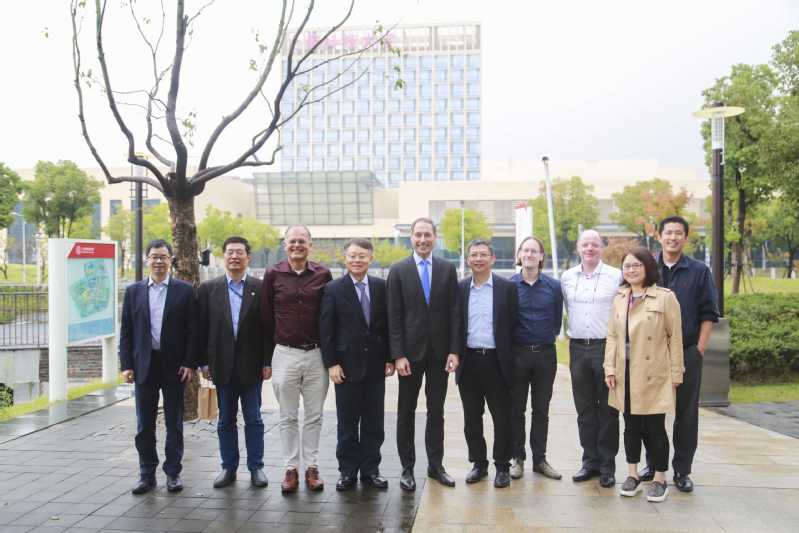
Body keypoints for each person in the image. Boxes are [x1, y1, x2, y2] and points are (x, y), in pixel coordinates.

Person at [638, 216, 720, 492]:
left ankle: (682, 470)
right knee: (651, 412)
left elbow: (709, 314)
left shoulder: (699, 271)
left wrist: (698, 351)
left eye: (678, 233)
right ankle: (653, 464)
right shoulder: (647, 268)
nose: (672, 237)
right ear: (659, 236)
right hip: (651, 355)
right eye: (668, 233)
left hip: (686, 353)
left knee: (686, 414)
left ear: (686, 237)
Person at [604, 246, 684, 503]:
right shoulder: (620, 297)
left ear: (648, 267)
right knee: (630, 427)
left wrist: (676, 374)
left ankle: (660, 478)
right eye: (627, 266)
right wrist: (609, 368)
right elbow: (612, 336)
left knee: (655, 428)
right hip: (625, 372)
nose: (631, 270)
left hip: (653, 373)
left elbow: (675, 338)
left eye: (636, 265)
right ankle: (633, 474)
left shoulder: (665, 298)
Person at [387, 217, 461, 491]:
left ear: (435, 237)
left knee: (436, 412)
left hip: (440, 355)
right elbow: (393, 316)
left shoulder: (447, 268)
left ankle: (435, 466)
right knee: (406, 412)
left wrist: (454, 350)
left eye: (427, 235)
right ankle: (407, 468)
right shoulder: (398, 270)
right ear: (411, 238)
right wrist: (398, 355)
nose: (422, 240)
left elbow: (454, 312)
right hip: (409, 356)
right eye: (418, 235)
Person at [119, 239, 195, 495]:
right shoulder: (134, 292)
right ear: (147, 260)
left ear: (171, 260)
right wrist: (126, 365)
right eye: (154, 256)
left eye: (163, 257)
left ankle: (173, 473)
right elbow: (126, 331)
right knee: (144, 424)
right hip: (144, 364)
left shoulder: (185, 291)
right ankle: (146, 474)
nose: (158, 261)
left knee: (174, 423)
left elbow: (192, 330)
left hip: (174, 366)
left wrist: (189, 363)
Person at [320, 239, 395, 492]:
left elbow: (387, 326)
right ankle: (348, 472)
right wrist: (331, 363)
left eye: (362, 256)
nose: (357, 260)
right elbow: (326, 330)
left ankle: (371, 471)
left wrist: (389, 358)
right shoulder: (333, 289)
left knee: (374, 423)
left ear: (370, 258)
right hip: (346, 368)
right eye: (352, 256)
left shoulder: (381, 287)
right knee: (347, 423)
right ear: (345, 258)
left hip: (376, 367)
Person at [261, 225, 332, 493]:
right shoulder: (273, 274)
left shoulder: (323, 274)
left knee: (314, 416)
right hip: (285, 353)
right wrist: (267, 359)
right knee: (287, 416)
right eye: (292, 241)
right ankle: (290, 468)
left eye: (302, 241)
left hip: (316, 355)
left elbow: (329, 315)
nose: (297, 245)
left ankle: (312, 467)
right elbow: (266, 317)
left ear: (310, 245)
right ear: (285, 245)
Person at [196, 236, 270, 489]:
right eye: (230, 252)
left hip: (252, 366)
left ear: (248, 257)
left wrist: (267, 361)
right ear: (224, 256)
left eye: (240, 252)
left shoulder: (260, 288)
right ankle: (228, 468)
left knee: (254, 418)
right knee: (225, 420)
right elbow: (202, 329)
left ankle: (256, 467)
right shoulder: (209, 289)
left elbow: (267, 329)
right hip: (221, 365)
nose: (235, 256)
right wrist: (203, 363)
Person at [560, 230, 622, 488]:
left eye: (594, 244)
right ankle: (590, 462)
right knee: (584, 409)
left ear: (602, 247)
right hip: (577, 349)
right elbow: (567, 307)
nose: (590, 248)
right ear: (578, 248)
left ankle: (607, 466)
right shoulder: (567, 277)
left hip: (606, 347)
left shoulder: (615, 276)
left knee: (608, 409)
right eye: (585, 244)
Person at [456, 239, 518, 488]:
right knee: (472, 418)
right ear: (468, 260)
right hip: (468, 361)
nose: (478, 259)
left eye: (483, 254)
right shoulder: (460, 288)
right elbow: (455, 324)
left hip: (497, 361)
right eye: (474, 255)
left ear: (492, 259)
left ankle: (502, 466)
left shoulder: (506, 288)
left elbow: (514, 324)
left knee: (502, 418)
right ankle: (479, 464)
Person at [509, 236, 562, 481]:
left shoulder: (554, 286)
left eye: (534, 251)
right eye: (525, 250)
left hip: (545, 356)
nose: (529, 254)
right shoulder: (508, 285)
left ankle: (539, 460)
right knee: (516, 409)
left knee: (541, 410)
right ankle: (517, 458)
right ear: (519, 255)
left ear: (541, 256)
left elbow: (556, 320)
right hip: (517, 356)